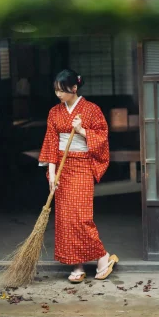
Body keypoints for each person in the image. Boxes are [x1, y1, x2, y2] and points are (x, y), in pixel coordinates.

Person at [38, 69, 119, 283]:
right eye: (55, 90)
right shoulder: (54, 113)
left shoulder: (91, 110)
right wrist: (52, 175)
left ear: (74, 88)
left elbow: (102, 137)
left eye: (61, 91)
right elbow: (51, 145)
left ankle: (103, 257)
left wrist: (82, 130)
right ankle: (78, 265)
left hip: (82, 166)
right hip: (62, 169)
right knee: (66, 219)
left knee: (82, 218)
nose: (58, 95)